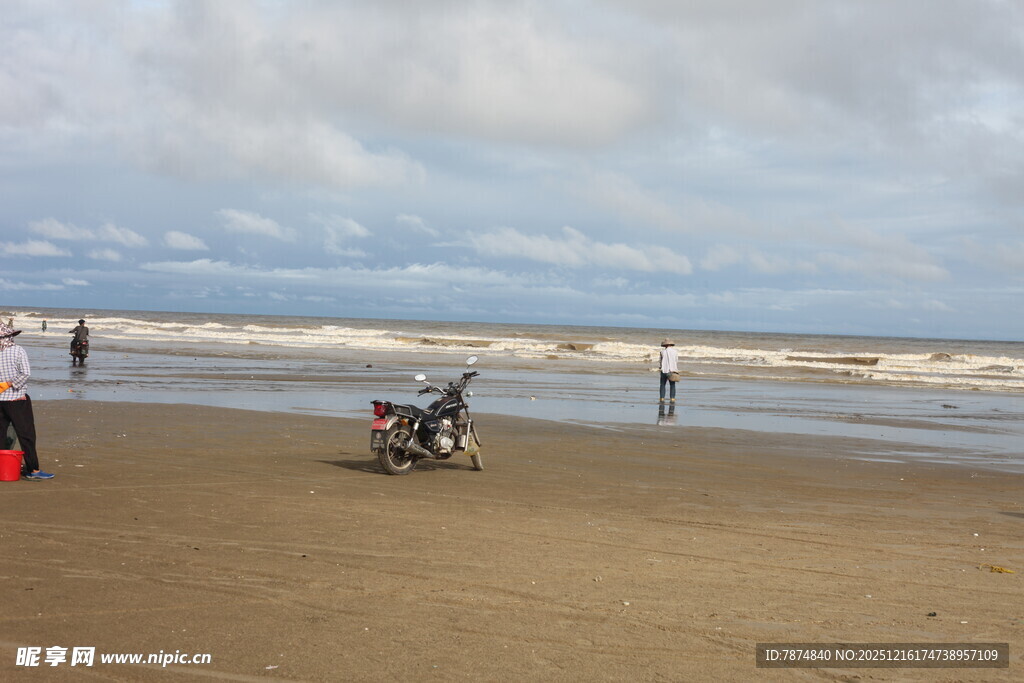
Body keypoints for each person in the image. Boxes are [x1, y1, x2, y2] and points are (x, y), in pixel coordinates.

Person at [0, 322, 54, 480]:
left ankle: (2, 467)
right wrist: (9, 384)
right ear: (9, 336)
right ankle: (33, 470)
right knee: (26, 435)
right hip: (17, 399)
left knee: (0, 435)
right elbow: (25, 373)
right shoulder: (17, 350)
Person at [658, 338, 679, 404]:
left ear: (665, 345)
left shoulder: (662, 352)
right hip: (672, 370)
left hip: (664, 370)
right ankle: (672, 398)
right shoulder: (675, 352)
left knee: (662, 385)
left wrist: (661, 367)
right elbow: (676, 361)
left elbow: (660, 361)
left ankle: (662, 398)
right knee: (672, 385)